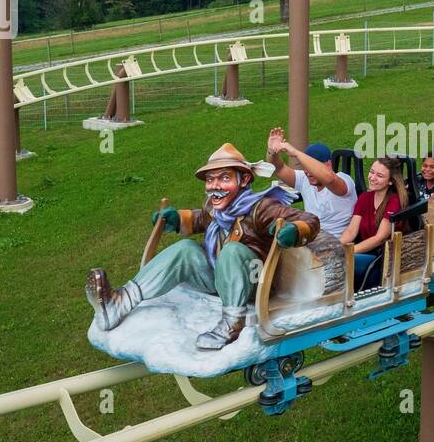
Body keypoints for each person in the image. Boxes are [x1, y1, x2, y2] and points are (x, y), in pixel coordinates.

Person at [86, 143, 319, 350]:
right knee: (186, 248)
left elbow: (310, 221)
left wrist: (294, 231)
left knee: (233, 250)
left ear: (244, 179)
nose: (214, 186)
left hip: (254, 283)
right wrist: (176, 219)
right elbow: (199, 219)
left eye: (224, 178)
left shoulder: (261, 208)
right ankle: (119, 303)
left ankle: (232, 322)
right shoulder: (215, 208)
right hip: (219, 277)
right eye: (210, 180)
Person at [267, 128, 356, 234]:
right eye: (304, 167)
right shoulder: (304, 179)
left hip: (336, 242)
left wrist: (295, 152)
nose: (308, 173)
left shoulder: (345, 180)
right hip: (310, 236)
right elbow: (278, 168)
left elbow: (329, 178)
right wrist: (272, 151)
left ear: (328, 164)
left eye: (311, 169)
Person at [341, 157, 407, 289]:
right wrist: (337, 248)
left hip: (382, 258)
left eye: (380, 175)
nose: (372, 177)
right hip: (365, 252)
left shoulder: (394, 201)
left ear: (390, 182)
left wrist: (349, 252)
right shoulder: (365, 198)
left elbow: (380, 238)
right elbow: (351, 231)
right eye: (372, 172)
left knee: (343, 263)